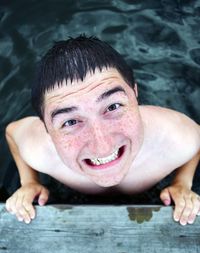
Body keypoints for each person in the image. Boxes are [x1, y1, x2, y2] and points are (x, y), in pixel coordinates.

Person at [5, 35, 200, 225]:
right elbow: (12, 133)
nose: (103, 147)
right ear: (46, 128)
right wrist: (29, 182)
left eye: (113, 107)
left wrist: (182, 182)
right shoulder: (38, 150)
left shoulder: (175, 137)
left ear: (135, 94)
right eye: (71, 122)